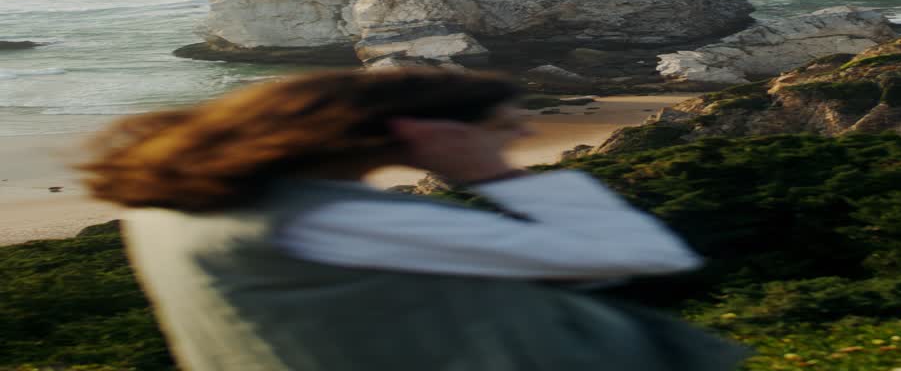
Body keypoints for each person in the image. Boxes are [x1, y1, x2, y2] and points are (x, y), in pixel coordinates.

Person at [81, 68, 750, 371]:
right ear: (421, 135)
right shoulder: (335, 221)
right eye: (499, 130)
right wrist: (491, 175)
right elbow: (637, 252)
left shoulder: (168, 207)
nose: (514, 138)